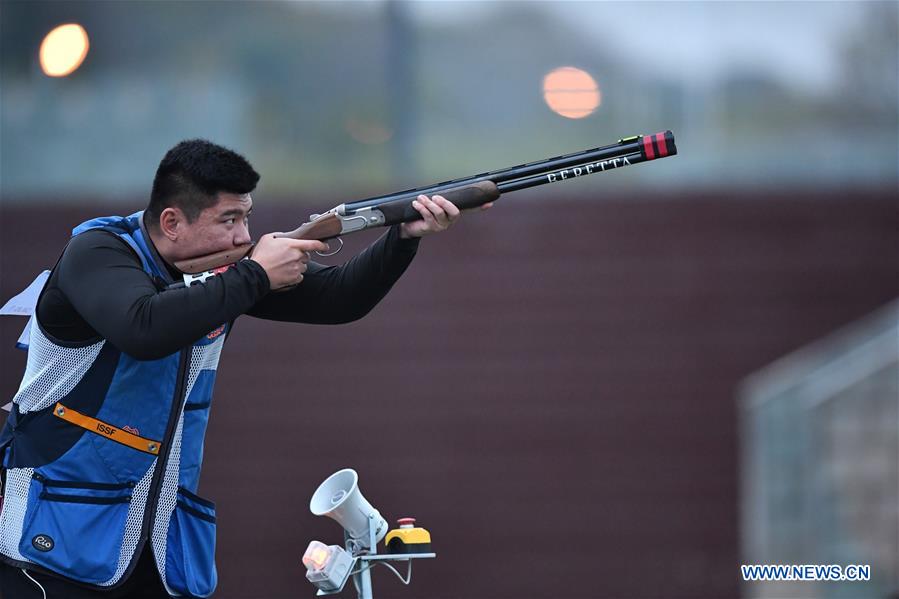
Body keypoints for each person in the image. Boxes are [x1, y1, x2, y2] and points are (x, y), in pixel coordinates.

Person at [0, 139, 488, 598]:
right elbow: (142, 328)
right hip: (51, 537)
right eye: (229, 219)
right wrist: (255, 274)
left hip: (159, 543)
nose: (245, 236)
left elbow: (342, 298)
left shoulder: (225, 274)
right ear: (171, 222)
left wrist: (402, 236)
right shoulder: (99, 253)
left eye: (247, 216)